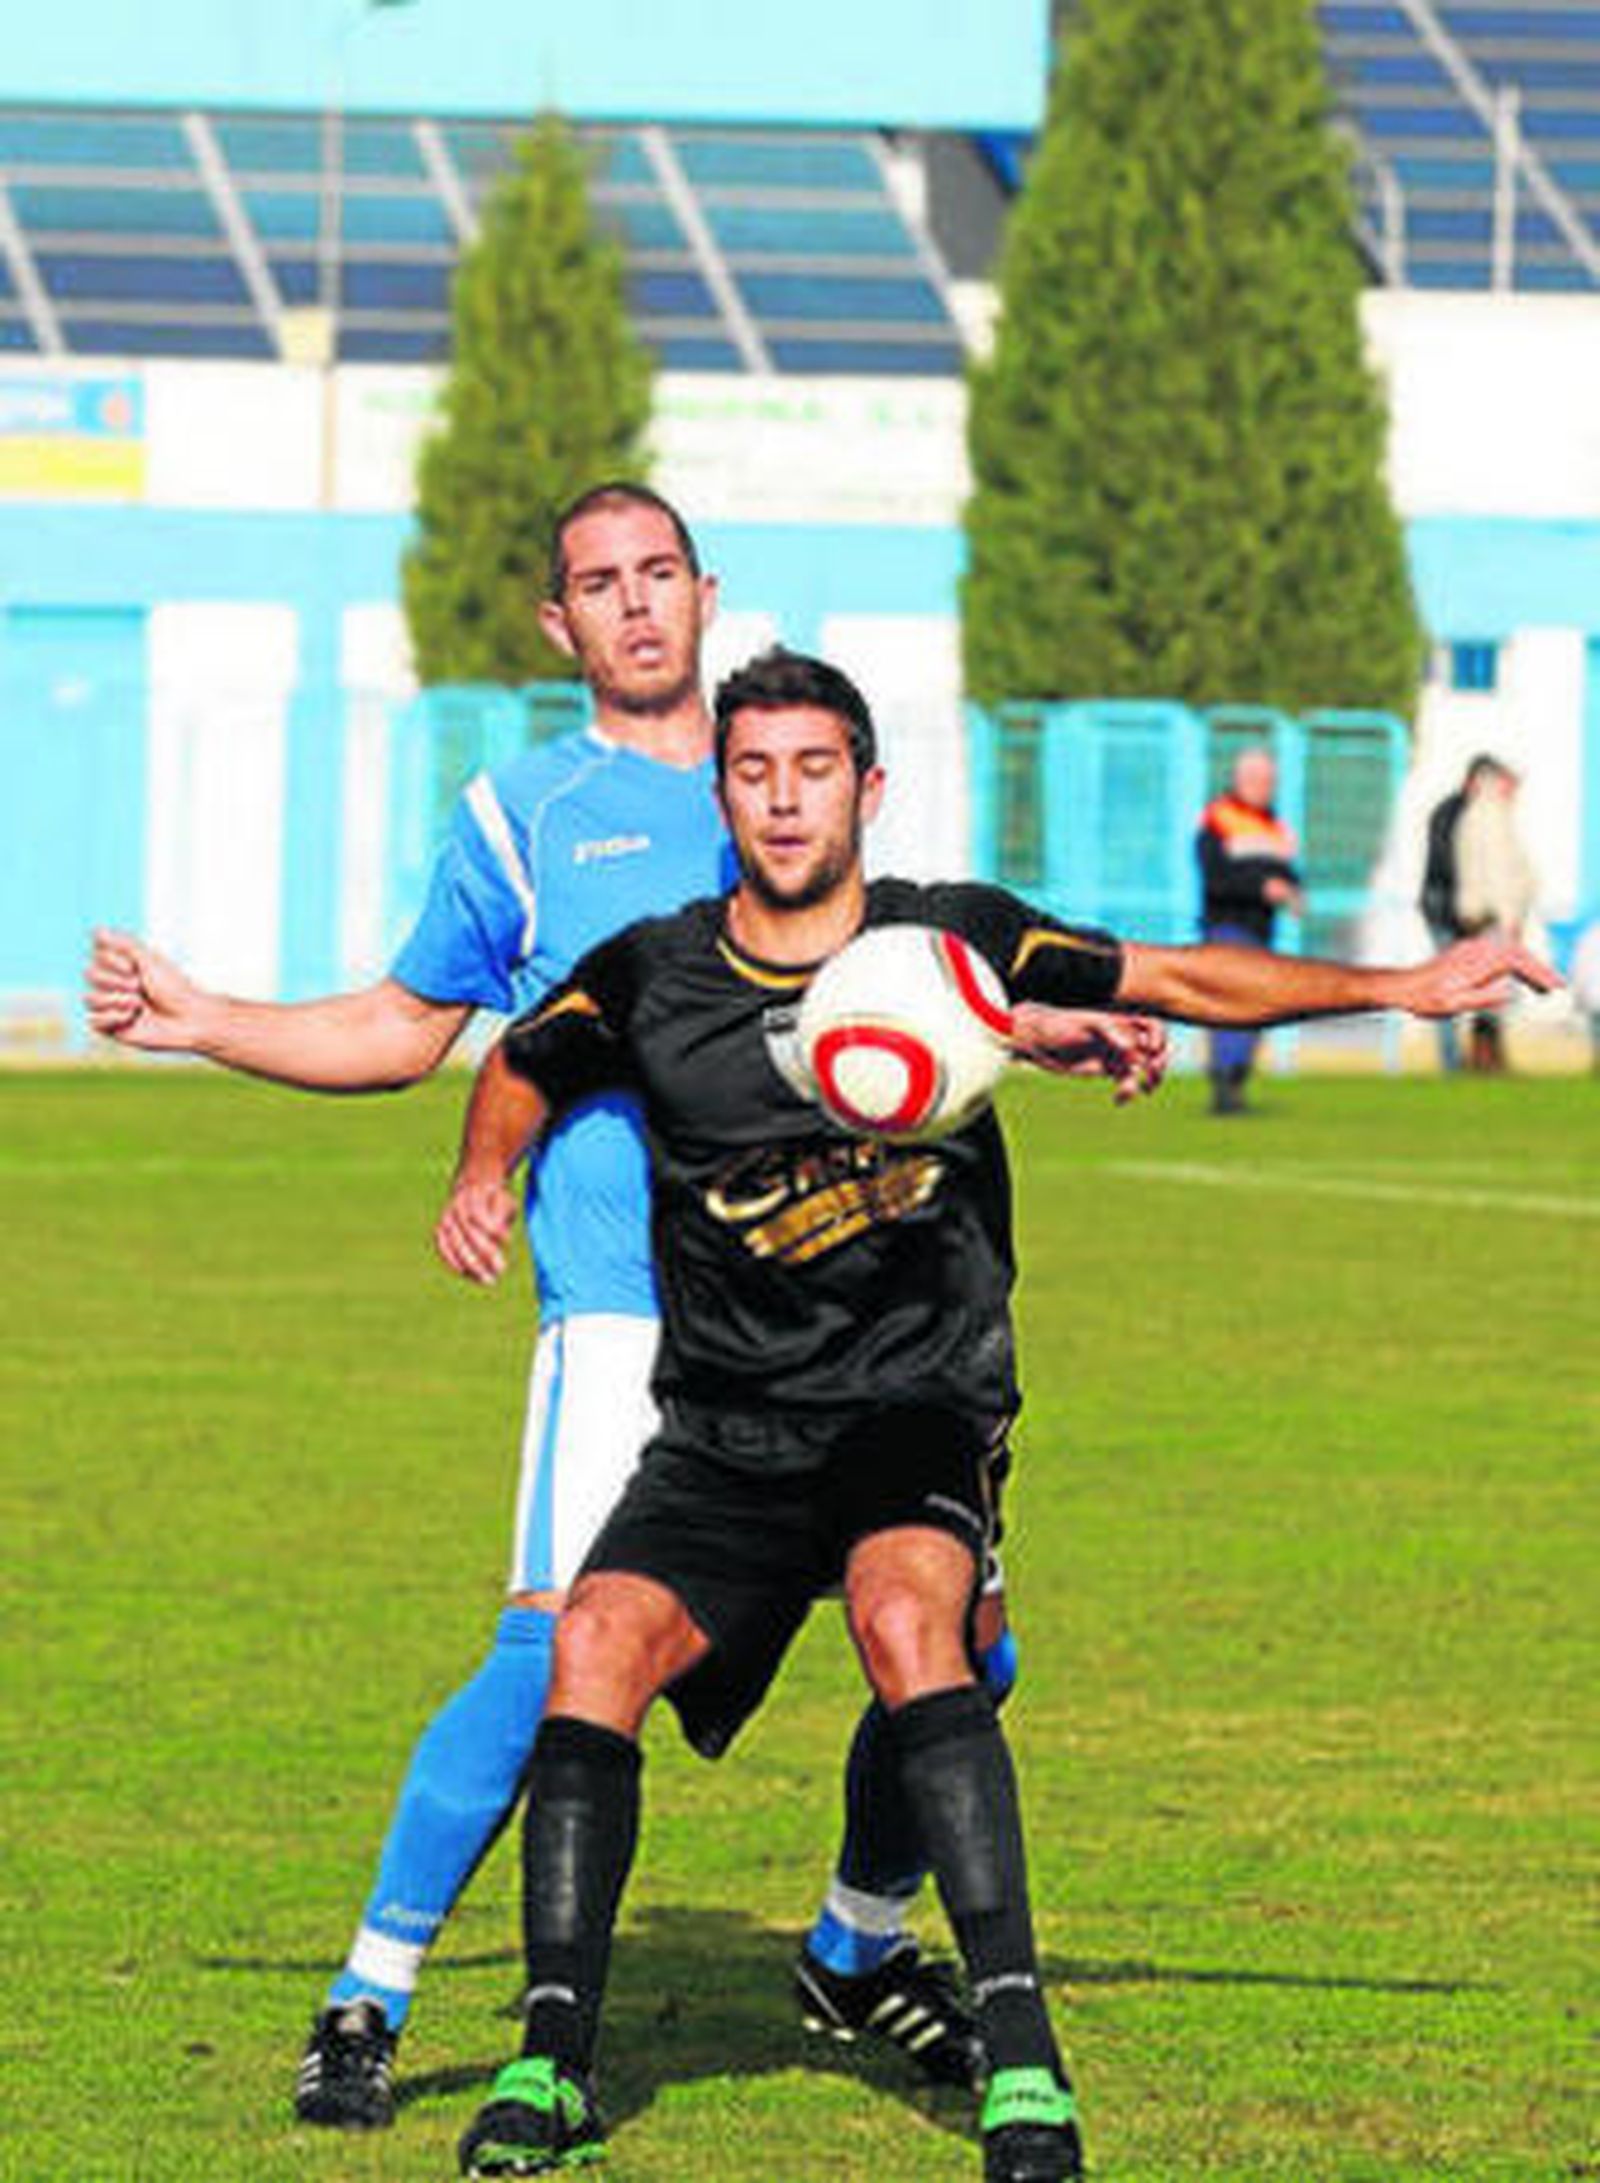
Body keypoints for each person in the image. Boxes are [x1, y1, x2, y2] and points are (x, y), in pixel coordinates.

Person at [436, 647, 1556, 2181]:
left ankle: (1022, 2059)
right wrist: (480, 1172)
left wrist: (1400, 983)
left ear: (866, 786)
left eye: (814, 766)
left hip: (912, 1401)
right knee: (591, 1641)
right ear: (722, 792)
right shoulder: (652, 970)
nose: (783, 796)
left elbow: (1172, 970)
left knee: (919, 1628)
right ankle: (550, 2059)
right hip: (725, 1428)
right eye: (754, 769)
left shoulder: (956, 944)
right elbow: (521, 1058)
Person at [83, 486, 987, 2129]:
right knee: (540, 1660)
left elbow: (940, 992)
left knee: (970, 1647)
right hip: (632, 1321)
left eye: (658, 574)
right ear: (558, 623)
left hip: (850, 1322)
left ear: (706, 593)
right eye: (598, 584)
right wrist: (206, 1014)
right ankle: (369, 1991)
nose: (636, 605)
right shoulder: (526, 815)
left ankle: (857, 1946)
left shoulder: (783, 773)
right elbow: (406, 1021)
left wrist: (1085, 1033)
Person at [1194, 745, 1304, 1113]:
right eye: (1257, 779)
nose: (1264, 786)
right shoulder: (1218, 818)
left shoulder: (1275, 826)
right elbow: (1215, 878)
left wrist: (1293, 892)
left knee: (1256, 1010)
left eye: (1269, 780)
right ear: (1240, 780)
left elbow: (1288, 875)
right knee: (1231, 1007)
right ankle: (1224, 1085)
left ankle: (1235, 1082)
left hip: (1261, 932)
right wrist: (1261, 889)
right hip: (1227, 927)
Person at [1419, 753, 1504, 1073]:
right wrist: (1469, 906)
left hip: (1466, 913)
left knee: (1481, 986)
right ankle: (1451, 1061)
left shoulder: (1481, 813)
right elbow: (1447, 865)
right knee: (1446, 986)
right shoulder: (1450, 813)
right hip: (1444, 911)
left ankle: (1479, 1057)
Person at [1453, 758, 1538, 1073]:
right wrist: (1509, 918)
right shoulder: (1489, 815)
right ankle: (1485, 1059)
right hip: (1492, 916)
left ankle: (1485, 1057)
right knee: (1493, 991)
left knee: (1490, 989)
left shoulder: (1482, 812)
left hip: (1487, 916)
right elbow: (1497, 873)